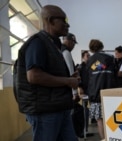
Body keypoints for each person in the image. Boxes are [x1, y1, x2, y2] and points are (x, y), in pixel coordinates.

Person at [14, 5, 79, 141]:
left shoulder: (52, 44)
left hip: (58, 107)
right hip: (45, 111)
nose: (67, 25)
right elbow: (33, 76)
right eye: (63, 20)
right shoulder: (37, 43)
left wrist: (68, 79)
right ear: (50, 20)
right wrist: (67, 81)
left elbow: (49, 74)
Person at [85, 39, 116, 141]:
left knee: (99, 120)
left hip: (96, 95)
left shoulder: (89, 61)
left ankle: (103, 139)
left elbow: (88, 79)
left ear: (91, 48)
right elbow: (115, 75)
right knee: (112, 118)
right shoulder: (111, 58)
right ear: (102, 46)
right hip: (110, 93)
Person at [62, 32, 79, 101]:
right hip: (66, 90)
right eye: (73, 43)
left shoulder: (58, 49)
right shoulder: (66, 52)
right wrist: (75, 93)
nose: (74, 45)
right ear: (68, 41)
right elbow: (70, 72)